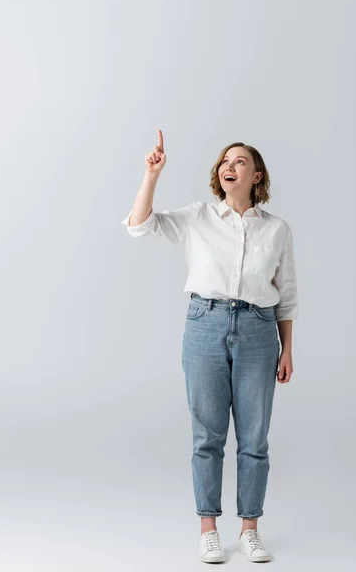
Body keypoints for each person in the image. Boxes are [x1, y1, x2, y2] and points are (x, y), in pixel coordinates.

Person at [121, 129, 298, 564]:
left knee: (255, 437)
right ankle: (209, 529)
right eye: (225, 161)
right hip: (205, 324)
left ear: (257, 175)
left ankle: (251, 529)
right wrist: (151, 175)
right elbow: (140, 226)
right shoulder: (198, 216)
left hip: (259, 329)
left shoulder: (277, 230)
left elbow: (287, 293)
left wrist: (287, 347)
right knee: (208, 436)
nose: (229, 167)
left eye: (239, 162)